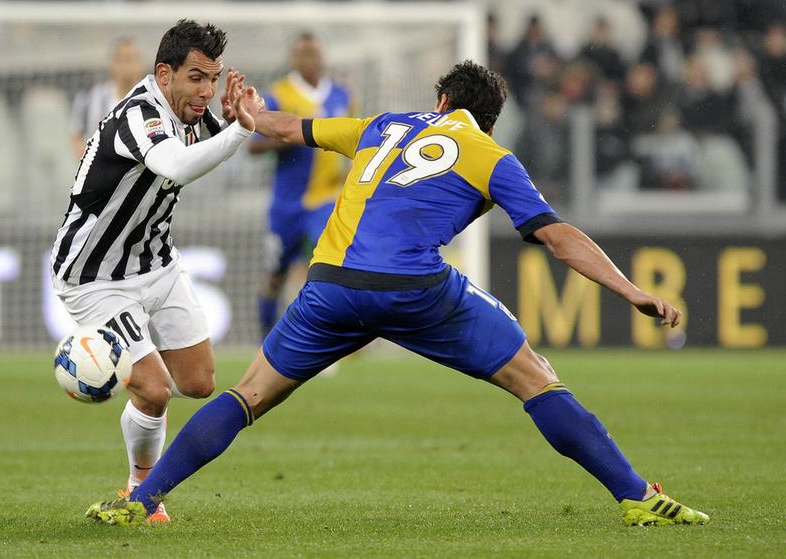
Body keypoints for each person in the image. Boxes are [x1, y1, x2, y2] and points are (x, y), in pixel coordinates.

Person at [87, 61, 710, 527]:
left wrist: (248, 111)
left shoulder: (382, 125)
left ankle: (139, 500)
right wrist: (630, 290)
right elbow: (557, 236)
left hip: (329, 285)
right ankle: (637, 498)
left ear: (439, 101)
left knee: (247, 396)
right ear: (486, 119)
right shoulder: (492, 155)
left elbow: (280, 127)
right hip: (414, 289)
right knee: (536, 378)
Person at [51, 19, 256, 523]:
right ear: (164, 74)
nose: (206, 91)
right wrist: (241, 130)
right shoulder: (140, 114)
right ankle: (141, 492)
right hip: (95, 275)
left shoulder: (193, 109)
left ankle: (141, 458)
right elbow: (179, 166)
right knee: (155, 388)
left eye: (213, 78)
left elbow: (225, 135)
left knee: (200, 382)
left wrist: (245, 115)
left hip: (157, 262)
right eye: (196, 78)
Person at [249, 32, 354, 339]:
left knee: (326, 266)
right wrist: (288, 135)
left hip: (326, 199)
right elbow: (254, 146)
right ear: (293, 59)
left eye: (314, 53)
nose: (310, 59)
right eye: (303, 53)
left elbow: (352, 141)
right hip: (286, 204)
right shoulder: (277, 95)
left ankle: (323, 341)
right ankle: (265, 340)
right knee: (275, 276)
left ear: (322, 57)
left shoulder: (342, 94)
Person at [69, 37, 145, 158]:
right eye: (125, 59)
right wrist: (88, 161)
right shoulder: (93, 97)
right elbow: (76, 134)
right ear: (113, 64)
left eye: (134, 59)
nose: (130, 65)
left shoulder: (150, 101)